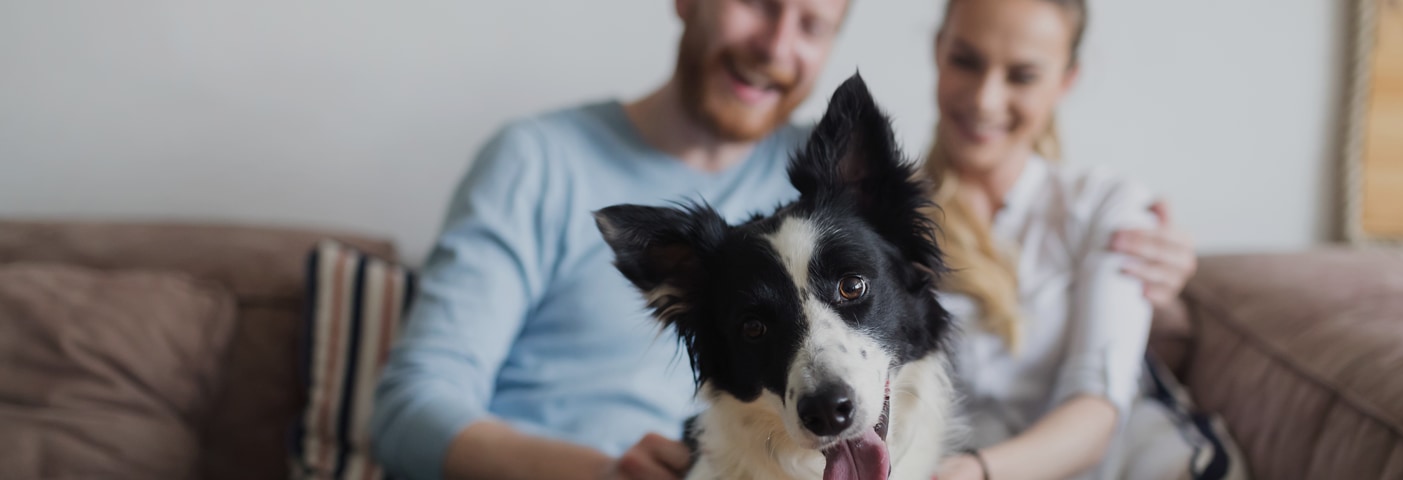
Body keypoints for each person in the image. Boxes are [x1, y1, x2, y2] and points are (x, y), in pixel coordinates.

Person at [371, 1, 1197, 479]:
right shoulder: (537, 160)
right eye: (758, 1)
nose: (777, 45)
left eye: (812, 20)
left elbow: (933, 250)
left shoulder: (824, 190)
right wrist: (600, 475)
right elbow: (406, 412)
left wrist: (1163, 282)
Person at [920, 0, 1221, 479]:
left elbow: (1097, 410)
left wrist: (976, 472)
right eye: (966, 61)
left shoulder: (1107, 206)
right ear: (939, 51)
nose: (984, 99)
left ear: (1067, 79)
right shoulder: (880, 219)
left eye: (1021, 76)